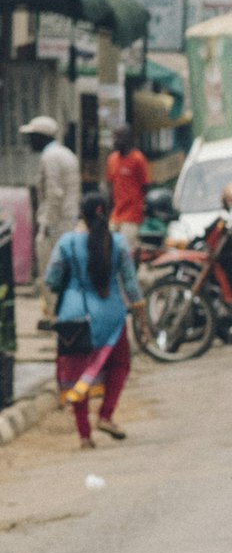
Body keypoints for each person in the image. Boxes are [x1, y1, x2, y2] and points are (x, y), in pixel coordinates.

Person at [46, 186, 142, 449]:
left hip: (73, 317)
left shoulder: (66, 243)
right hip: (111, 315)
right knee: (120, 364)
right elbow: (132, 286)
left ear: (82, 215)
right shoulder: (119, 243)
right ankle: (106, 415)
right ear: (108, 214)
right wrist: (142, 315)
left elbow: (51, 278)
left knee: (77, 373)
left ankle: (84, 435)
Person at [22, 114, 81, 322]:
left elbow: (54, 194)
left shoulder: (51, 157)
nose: (29, 142)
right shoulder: (65, 154)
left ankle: (57, 317)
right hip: (67, 222)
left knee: (50, 273)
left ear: (42, 137)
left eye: (32, 137)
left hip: (56, 225)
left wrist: (46, 225)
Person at [106, 122, 150, 239]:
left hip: (131, 215)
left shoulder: (138, 159)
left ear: (128, 138)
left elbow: (145, 185)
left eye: (118, 137)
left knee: (126, 249)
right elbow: (111, 185)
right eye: (114, 136)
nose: (115, 140)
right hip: (116, 214)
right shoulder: (112, 159)